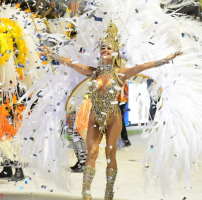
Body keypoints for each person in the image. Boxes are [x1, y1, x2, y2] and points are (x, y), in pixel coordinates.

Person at [43, 22, 182, 199]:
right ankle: (86, 192)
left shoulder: (120, 74)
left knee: (110, 154)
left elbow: (143, 67)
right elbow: (71, 63)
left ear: (115, 52)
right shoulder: (92, 72)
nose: (105, 50)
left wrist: (167, 59)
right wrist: (52, 54)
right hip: (94, 118)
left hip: (113, 118)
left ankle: (109, 190)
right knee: (91, 153)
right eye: (103, 47)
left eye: (109, 47)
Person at [118, 81, 131, 148]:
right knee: (119, 119)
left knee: (119, 119)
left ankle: (124, 139)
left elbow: (122, 85)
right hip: (121, 99)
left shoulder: (119, 76)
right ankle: (124, 139)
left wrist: (122, 98)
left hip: (121, 100)